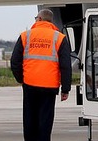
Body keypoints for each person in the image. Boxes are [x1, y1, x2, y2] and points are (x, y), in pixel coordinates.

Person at [10, 9, 72, 141]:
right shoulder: (60, 38)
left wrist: (21, 79)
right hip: (49, 87)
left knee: (29, 119)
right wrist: (65, 88)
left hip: (30, 84)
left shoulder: (25, 35)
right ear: (51, 21)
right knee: (45, 121)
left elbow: (14, 62)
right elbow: (66, 66)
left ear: (39, 19)